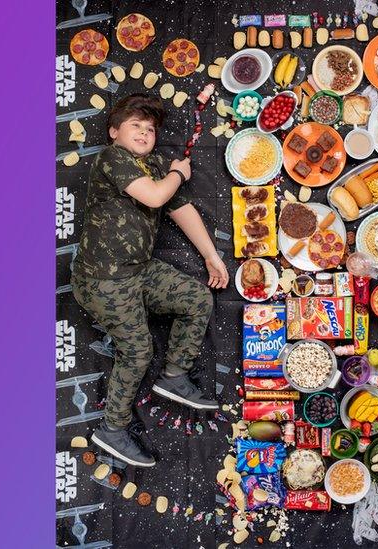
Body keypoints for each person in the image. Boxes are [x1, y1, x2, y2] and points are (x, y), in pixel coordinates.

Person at [71, 93, 229, 467]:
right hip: (103, 280)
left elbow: (180, 208)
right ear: (114, 132)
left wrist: (210, 255)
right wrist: (178, 173)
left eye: (150, 129)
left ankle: (175, 375)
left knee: (197, 298)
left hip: (139, 271)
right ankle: (111, 429)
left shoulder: (155, 165)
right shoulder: (113, 159)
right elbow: (157, 197)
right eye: (135, 126)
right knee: (138, 350)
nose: (144, 133)